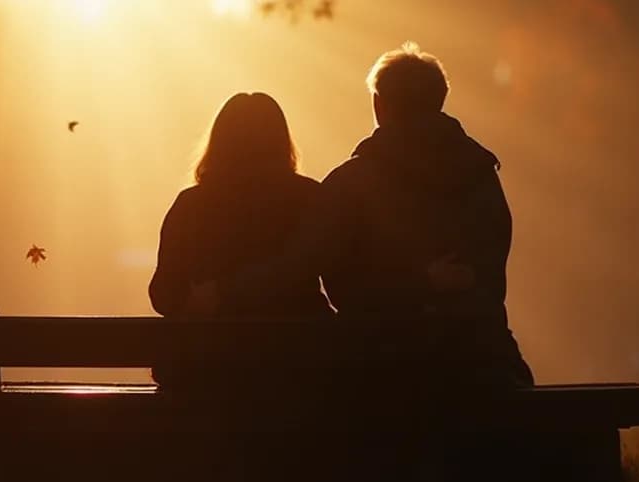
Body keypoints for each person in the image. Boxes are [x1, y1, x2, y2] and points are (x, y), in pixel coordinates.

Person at [188, 43, 534, 387]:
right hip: (484, 362)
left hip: (384, 367)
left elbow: (301, 263)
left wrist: (225, 292)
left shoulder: (353, 182)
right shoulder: (481, 176)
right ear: (439, 100)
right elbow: (486, 268)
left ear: (379, 104)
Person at [148, 92, 334, 386]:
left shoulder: (192, 204)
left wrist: (205, 299)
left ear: (219, 143)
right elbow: (332, 275)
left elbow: (162, 293)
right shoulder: (310, 197)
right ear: (280, 141)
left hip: (209, 368)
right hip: (296, 363)